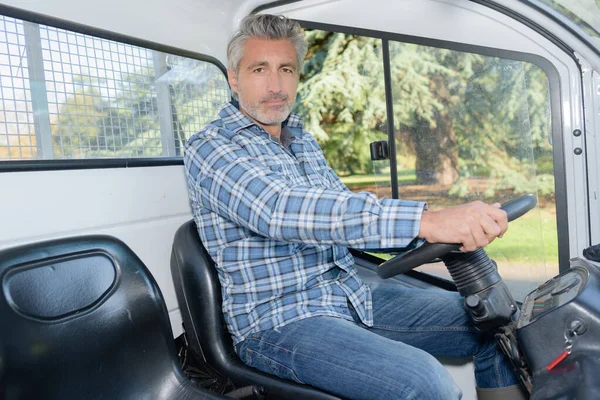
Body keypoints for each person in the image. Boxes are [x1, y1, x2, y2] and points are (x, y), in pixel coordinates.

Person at [183, 13, 526, 400]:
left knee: (501, 324)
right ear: (234, 78)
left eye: (286, 69)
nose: (275, 85)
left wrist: (447, 233)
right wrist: (427, 221)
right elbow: (278, 209)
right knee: (423, 382)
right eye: (259, 69)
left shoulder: (302, 141)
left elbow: (343, 213)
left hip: (350, 295)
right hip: (280, 324)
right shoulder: (211, 146)